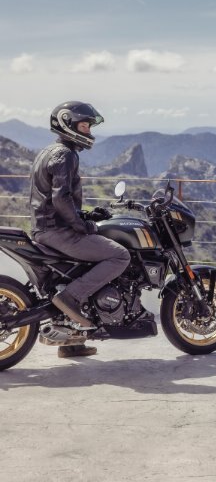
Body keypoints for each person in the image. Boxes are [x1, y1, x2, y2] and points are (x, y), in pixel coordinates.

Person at [30, 101, 131, 358]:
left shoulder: (48, 151)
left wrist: (85, 214)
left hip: (45, 227)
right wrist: (82, 225)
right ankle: (70, 298)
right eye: (84, 126)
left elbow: (53, 198)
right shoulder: (65, 154)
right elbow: (60, 199)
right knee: (120, 255)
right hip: (57, 231)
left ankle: (72, 342)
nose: (88, 131)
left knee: (85, 265)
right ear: (68, 124)